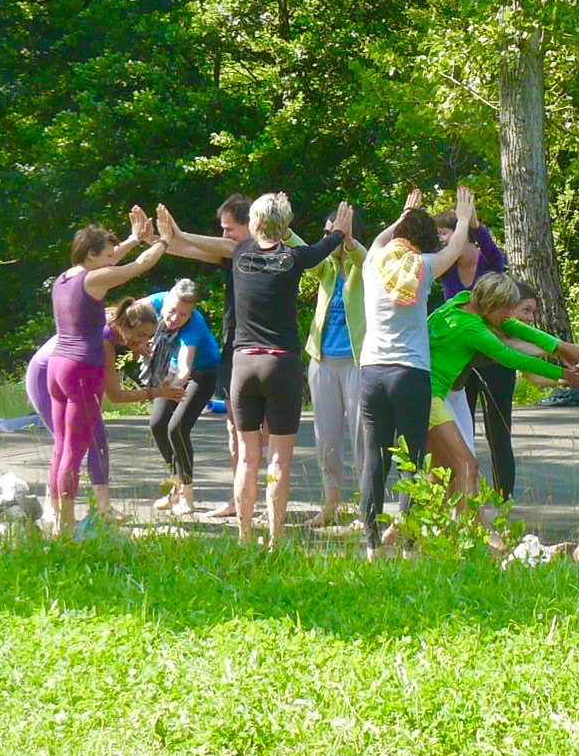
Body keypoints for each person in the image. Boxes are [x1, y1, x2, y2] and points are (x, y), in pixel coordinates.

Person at [170, 192, 352, 547]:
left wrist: (177, 234)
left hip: (243, 364)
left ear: (252, 224)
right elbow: (325, 247)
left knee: (247, 459)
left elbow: (205, 244)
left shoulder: (240, 253)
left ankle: (244, 535)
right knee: (279, 460)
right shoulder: (294, 257)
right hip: (280, 364)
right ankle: (275, 536)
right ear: (285, 228)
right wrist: (340, 232)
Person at [357, 186, 477, 558]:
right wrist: (461, 216)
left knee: (374, 458)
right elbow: (455, 250)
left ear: (397, 236)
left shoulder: (374, 262)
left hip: (371, 371)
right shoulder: (423, 267)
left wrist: (401, 215)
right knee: (412, 458)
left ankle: (371, 544)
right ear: (424, 244)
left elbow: (379, 240)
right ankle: (409, 543)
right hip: (410, 373)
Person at [424, 272, 579, 533]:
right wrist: (563, 374)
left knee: (441, 467)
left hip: (427, 392)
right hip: (430, 397)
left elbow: (512, 328)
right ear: (490, 306)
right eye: (506, 311)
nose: (509, 318)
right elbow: (511, 357)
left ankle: (426, 530)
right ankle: (475, 535)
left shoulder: (461, 301)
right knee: (466, 465)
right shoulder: (471, 328)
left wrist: (557, 346)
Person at [43, 210, 168, 538]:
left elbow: (113, 261)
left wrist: (133, 239)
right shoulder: (92, 278)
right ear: (91, 255)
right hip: (82, 368)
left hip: (57, 367)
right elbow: (137, 267)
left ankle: (56, 516)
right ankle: (65, 526)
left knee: (61, 446)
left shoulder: (64, 278)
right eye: (107, 254)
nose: (112, 258)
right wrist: (164, 241)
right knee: (75, 449)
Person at [22, 294, 169, 526]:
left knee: (98, 438)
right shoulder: (104, 343)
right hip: (45, 373)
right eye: (140, 335)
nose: (143, 342)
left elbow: (124, 338)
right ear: (124, 324)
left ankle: (104, 508)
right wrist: (157, 392)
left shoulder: (118, 318)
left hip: (69, 372)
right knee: (66, 443)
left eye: (148, 337)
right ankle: (55, 507)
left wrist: (134, 344)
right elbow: (116, 396)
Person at [155, 193, 255, 520]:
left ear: (252, 225)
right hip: (233, 348)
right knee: (233, 433)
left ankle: (257, 500)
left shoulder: (255, 251)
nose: (224, 235)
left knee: (257, 434)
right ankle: (239, 499)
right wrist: (157, 241)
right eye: (222, 229)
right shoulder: (233, 252)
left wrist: (179, 235)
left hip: (256, 351)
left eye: (230, 228)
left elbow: (214, 245)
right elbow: (193, 249)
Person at [439, 208, 519, 500]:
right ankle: (466, 494)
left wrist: (474, 223)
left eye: (444, 234)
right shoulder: (446, 268)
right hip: (461, 362)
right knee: (462, 428)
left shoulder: (488, 262)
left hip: (495, 357)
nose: (442, 241)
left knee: (499, 430)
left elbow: (496, 256)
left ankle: (503, 497)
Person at [302, 220, 367, 528]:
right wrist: (283, 226)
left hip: (357, 362)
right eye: (328, 232)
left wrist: (350, 241)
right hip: (323, 360)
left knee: (362, 437)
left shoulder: (364, 263)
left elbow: (364, 259)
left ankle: (367, 506)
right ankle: (330, 505)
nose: (331, 237)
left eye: (337, 231)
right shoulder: (324, 265)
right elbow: (301, 252)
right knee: (326, 439)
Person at [144, 280, 221, 517]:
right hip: (173, 368)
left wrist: (166, 390)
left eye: (183, 315)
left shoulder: (194, 323)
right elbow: (127, 314)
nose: (175, 318)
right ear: (166, 299)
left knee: (176, 428)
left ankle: (187, 496)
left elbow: (187, 369)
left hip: (202, 372)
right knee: (157, 425)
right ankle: (175, 486)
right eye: (172, 311)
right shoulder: (156, 300)